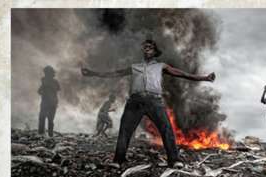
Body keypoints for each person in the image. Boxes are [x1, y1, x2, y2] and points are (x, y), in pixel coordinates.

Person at [81, 39, 215, 168]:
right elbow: (114, 73)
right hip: (135, 102)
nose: (146, 49)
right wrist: (93, 73)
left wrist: (205, 78)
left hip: (154, 101)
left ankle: (174, 160)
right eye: (145, 47)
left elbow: (182, 74)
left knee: (166, 129)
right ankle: (118, 161)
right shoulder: (134, 67)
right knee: (125, 131)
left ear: (155, 51)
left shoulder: (161, 66)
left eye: (150, 47)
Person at [38, 65, 60, 137]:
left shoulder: (52, 82)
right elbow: (39, 91)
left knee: (47, 119)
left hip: (50, 103)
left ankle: (48, 134)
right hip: (48, 102)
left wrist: (46, 86)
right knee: (43, 118)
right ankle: (43, 134)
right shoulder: (46, 81)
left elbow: (56, 89)